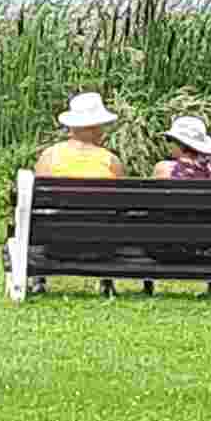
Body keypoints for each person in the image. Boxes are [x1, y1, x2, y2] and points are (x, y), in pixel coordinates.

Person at [29, 92, 125, 296]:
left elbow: (35, 206)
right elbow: (120, 209)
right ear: (94, 127)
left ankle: (38, 280)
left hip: (55, 245)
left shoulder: (49, 157)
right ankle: (106, 282)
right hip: (101, 248)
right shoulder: (111, 162)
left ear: (73, 127)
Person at [147, 116, 211, 297]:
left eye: (170, 141)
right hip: (208, 252)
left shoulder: (163, 170)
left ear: (180, 144)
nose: (169, 145)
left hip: (166, 251)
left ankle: (147, 286)